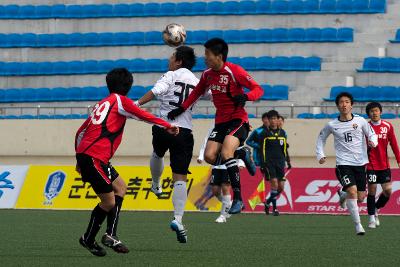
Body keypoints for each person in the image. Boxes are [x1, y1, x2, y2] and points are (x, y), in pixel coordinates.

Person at [75, 68, 179, 256]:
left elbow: (80, 132)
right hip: (94, 157)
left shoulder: (103, 103)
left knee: (120, 187)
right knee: (108, 201)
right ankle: (88, 238)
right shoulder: (121, 101)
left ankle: (111, 234)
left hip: (91, 156)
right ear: (128, 86)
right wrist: (167, 125)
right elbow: (143, 115)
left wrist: (78, 158)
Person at [168, 38, 263, 214]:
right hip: (220, 122)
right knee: (210, 156)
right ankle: (242, 153)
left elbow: (258, 88)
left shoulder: (234, 71)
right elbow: (196, 93)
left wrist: (247, 97)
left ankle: (238, 200)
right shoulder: (207, 74)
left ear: (219, 56)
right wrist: (181, 108)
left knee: (226, 153)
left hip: (238, 120)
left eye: (207, 54)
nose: (205, 58)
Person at [135, 46, 198, 243]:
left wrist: (135, 105)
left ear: (179, 61)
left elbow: (155, 92)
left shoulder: (170, 75)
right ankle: (178, 219)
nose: (169, 60)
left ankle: (155, 184)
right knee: (180, 175)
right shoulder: (197, 82)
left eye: (172, 57)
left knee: (157, 153)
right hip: (184, 130)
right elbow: (214, 96)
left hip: (163, 125)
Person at [316, 92, 377, 235]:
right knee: (353, 191)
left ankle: (342, 194)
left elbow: (372, 134)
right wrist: (320, 154)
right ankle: (358, 226)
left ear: (352, 105)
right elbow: (321, 139)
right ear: (337, 105)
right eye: (341, 102)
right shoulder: (332, 125)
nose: (344, 104)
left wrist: (373, 141)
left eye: (347, 102)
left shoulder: (361, 121)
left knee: (361, 197)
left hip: (360, 163)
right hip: (343, 163)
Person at [197, 127, 246, 223]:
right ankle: (229, 204)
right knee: (215, 190)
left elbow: (239, 146)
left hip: (229, 164)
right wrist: (201, 155)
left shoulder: (235, 127)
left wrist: (240, 162)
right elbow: (206, 141)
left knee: (225, 187)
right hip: (216, 164)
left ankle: (223, 215)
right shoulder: (214, 127)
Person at [365, 102, 400, 228]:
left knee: (388, 191)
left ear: (380, 112)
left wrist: (399, 160)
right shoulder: (365, 127)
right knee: (372, 190)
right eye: (371, 111)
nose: (374, 113)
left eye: (376, 110)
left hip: (384, 165)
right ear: (368, 113)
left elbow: (394, 144)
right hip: (371, 165)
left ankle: (376, 208)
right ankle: (371, 219)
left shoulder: (388, 126)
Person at [258, 110, 290, 216]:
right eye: (271, 118)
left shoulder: (283, 133)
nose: (273, 121)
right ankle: (275, 209)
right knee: (275, 184)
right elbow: (261, 150)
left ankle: (267, 202)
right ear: (268, 120)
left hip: (280, 163)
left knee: (281, 187)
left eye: (275, 118)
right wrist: (263, 164)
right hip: (269, 163)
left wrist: (287, 161)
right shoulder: (264, 133)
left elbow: (284, 148)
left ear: (277, 120)